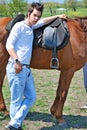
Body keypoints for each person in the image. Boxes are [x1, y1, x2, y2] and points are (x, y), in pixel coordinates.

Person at [5, 2, 66, 130]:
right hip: (17, 67)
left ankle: (14, 123)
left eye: (38, 16)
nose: (36, 18)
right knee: (16, 100)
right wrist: (16, 61)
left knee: (31, 97)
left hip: (26, 69)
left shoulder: (31, 27)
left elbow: (43, 21)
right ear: (29, 14)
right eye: (34, 15)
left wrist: (58, 16)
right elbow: (9, 45)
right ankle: (15, 125)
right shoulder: (19, 26)